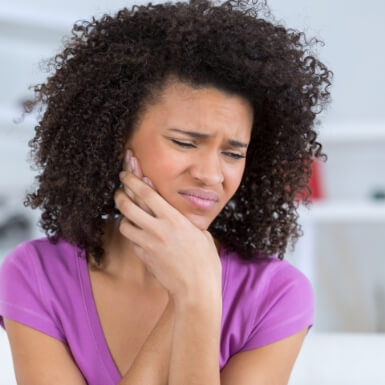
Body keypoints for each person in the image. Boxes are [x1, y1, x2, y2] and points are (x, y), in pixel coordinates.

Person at [0, 0, 332, 384]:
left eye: (233, 153)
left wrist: (198, 299)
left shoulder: (275, 294)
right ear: (118, 139)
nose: (211, 175)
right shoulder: (36, 276)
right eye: (185, 143)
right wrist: (189, 292)